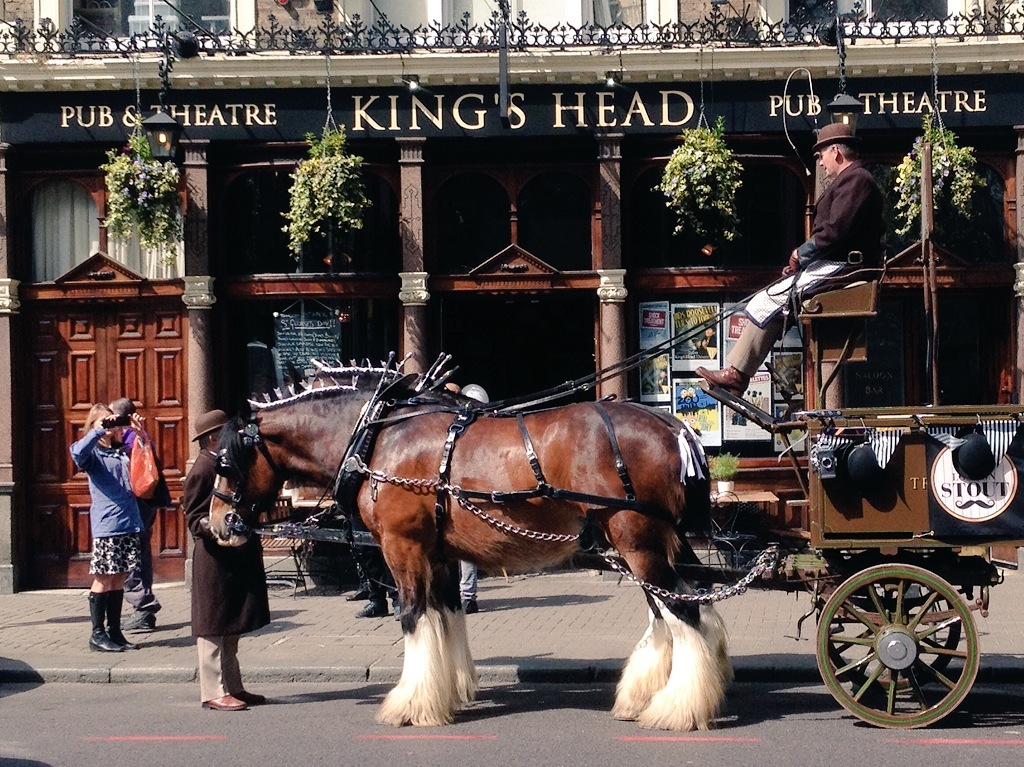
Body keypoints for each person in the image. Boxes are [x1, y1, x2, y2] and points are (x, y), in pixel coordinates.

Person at [697, 122, 884, 397]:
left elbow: (834, 232)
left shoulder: (857, 180)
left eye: (821, 155)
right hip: (839, 264)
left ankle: (736, 375)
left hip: (847, 268)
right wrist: (804, 262)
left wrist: (800, 254)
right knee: (773, 301)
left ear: (835, 152)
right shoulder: (854, 180)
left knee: (770, 298)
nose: (820, 163)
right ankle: (738, 373)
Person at [184, 409, 270, 711]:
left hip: (231, 556)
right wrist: (219, 527)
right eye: (226, 433)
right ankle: (213, 691)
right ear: (213, 437)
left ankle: (234, 686)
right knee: (212, 627)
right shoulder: (202, 469)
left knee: (230, 626)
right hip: (213, 559)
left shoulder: (223, 463)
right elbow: (195, 518)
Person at [69, 403, 147, 653]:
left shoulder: (121, 451)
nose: (110, 426)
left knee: (119, 578)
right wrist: (98, 430)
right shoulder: (93, 456)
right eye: (104, 421)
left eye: (111, 421)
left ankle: (114, 631)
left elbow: (145, 464)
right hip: (108, 526)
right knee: (104, 578)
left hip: (129, 522)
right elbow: (76, 452)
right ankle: (97, 634)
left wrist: (140, 434)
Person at [109, 397, 168, 633]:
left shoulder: (129, 440)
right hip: (145, 504)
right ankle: (144, 611)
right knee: (141, 555)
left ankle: (143, 605)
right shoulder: (139, 437)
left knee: (131, 556)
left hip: (135, 505)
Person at [457, 382, 490, 614]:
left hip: (469, 492)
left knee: (465, 547)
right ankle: (465, 595)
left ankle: (468, 596)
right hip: (458, 490)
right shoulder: (457, 428)